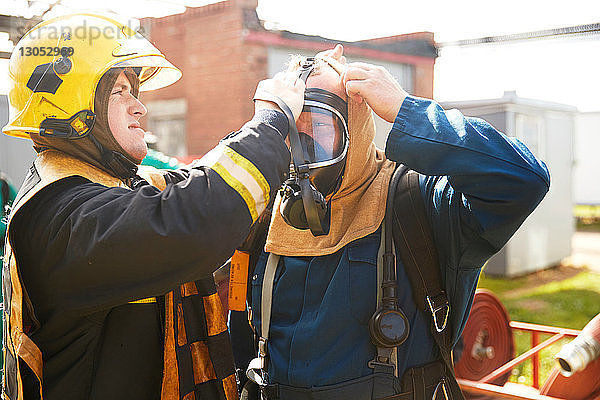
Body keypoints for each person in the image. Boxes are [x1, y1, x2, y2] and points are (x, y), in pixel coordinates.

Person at [2, 14, 304, 400]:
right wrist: (271, 119)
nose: (139, 108)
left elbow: (191, 186)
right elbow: (194, 217)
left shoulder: (102, 189)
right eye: (120, 92)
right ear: (72, 107)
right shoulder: (64, 216)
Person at [233, 45, 550, 399]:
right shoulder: (267, 215)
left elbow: (523, 180)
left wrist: (407, 112)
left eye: (319, 125)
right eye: (293, 127)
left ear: (355, 127)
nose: (302, 147)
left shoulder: (419, 203)